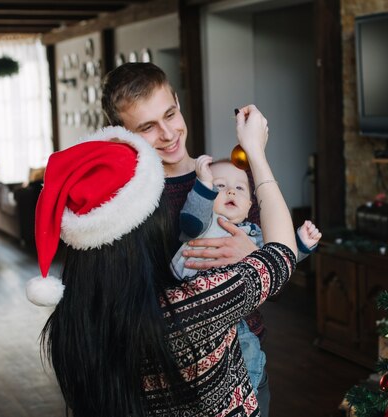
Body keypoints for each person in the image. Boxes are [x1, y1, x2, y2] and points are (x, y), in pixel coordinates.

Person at [27, 105, 296, 417]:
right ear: (149, 225)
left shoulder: (72, 322)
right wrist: (256, 154)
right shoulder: (196, 304)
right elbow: (282, 256)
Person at [101, 62, 273, 410]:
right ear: (122, 133)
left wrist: (253, 259)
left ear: (178, 101)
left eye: (171, 113)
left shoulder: (229, 179)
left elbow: (277, 269)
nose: (168, 133)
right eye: (148, 126)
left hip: (246, 362)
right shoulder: (127, 202)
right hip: (171, 379)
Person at [170, 156, 321, 397]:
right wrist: (204, 185)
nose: (230, 190)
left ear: (249, 205)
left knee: (247, 351)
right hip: (196, 313)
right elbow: (190, 221)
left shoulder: (254, 234)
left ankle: (243, 399)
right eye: (220, 185)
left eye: (239, 188)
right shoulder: (204, 223)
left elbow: (277, 259)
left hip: (236, 317)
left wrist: (301, 245)